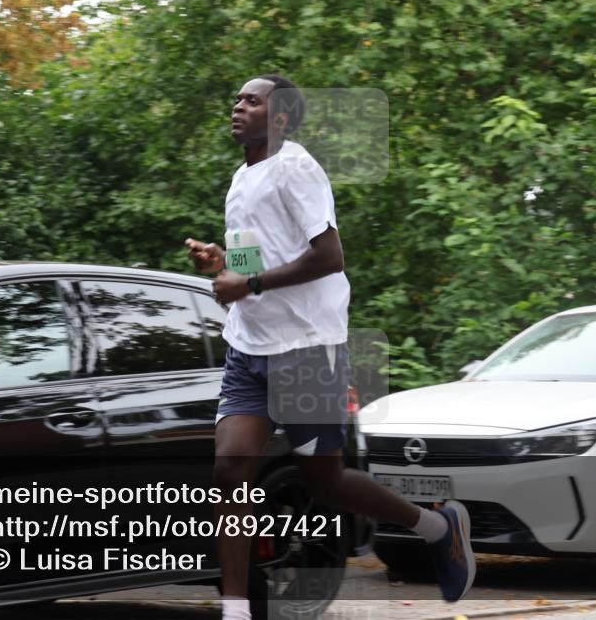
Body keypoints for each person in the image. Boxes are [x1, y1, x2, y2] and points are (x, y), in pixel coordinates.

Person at [185, 74, 475, 620]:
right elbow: (258, 260)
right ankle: (236, 611)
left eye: (252, 100)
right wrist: (225, 264)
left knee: (326, 481)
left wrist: (244, 284)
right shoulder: (241, 177)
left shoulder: (297, 167)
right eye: (238, 98)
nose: (237, 105)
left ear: (282, 118)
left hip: (307, 351)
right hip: (250, 349)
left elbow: (329, 256)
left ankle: (437, 526)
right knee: (230, 471)